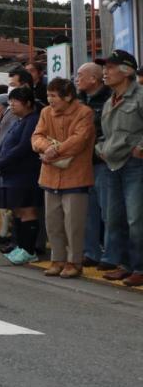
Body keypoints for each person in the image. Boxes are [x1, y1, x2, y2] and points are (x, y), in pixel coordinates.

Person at [30, 77, 94, 279]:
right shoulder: (45, 112)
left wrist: (54, 150)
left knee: (73, 224)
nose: (50, 100)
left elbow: (80, 140)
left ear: (68, 96)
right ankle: (57, 259)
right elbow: (36, 137)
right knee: (53, 222)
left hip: (76, 176)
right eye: (48, 95)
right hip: (50, 176)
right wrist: (45, 147)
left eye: (54, 95)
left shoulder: (85, 113)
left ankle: (74, 262)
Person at [94, 50, 143, 286]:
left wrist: (140, 148)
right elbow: (104, 134)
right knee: (115, 217)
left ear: (127, 71)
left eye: (110, 67)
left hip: (136, 165)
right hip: (112, 164)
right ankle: (124, 264)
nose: (105, 72)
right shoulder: (108, 102)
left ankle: (140, 268)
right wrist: (100, 149)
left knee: (136, 219)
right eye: (105, 67)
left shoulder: (141, 96)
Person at [0, 86, 42, 265]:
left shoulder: (33, 120)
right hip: (11, 174)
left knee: (27, 210)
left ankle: (29, 250)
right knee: (18, 211)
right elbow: (5, 143)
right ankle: (20, 246)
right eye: (10, 101)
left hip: (25, 174)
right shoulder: (19, 120)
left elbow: (23, 147)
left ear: (28, 103)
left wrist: (0, 162)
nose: (11, 104)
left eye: (16, 101)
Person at [75, 62, 112, 270]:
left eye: (80, 75)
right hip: (82, 163)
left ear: (94, 79)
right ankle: (91, 252)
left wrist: (99, 148)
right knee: (88, 211)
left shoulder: (109, 98)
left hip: (103, 161)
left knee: (108, 211)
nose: (76, 78)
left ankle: (111, 253)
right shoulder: (78, 100)